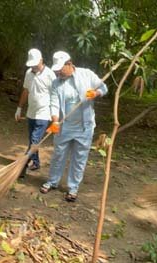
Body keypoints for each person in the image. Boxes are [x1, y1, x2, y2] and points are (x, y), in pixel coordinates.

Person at [40, 51, 108, 202]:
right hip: (64, 127)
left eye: (60, 69)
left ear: (69, 64)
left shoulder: (87, 74)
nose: (58, 73)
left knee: (80, 158)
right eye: (56, 70)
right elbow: (54, 103)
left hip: (84, 127)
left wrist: (95, 93)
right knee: (58, 155)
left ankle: (73, 187)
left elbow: (104, 88)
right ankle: (52, 181)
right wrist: (55, 121)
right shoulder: (56, 83)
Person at [15, 48, 56, 173]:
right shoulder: (29, 73)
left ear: (41, 60)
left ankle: (22, 167)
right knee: (33, 140)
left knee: (34, 139)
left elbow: (56, 95)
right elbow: (26, 91)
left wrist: (56, 116)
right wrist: (19, 108)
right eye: (31, 64)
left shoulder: (50, 74)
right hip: (31, 112)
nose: (33, 67)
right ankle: (36, 162)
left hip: (44, 113)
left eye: (35, 64)